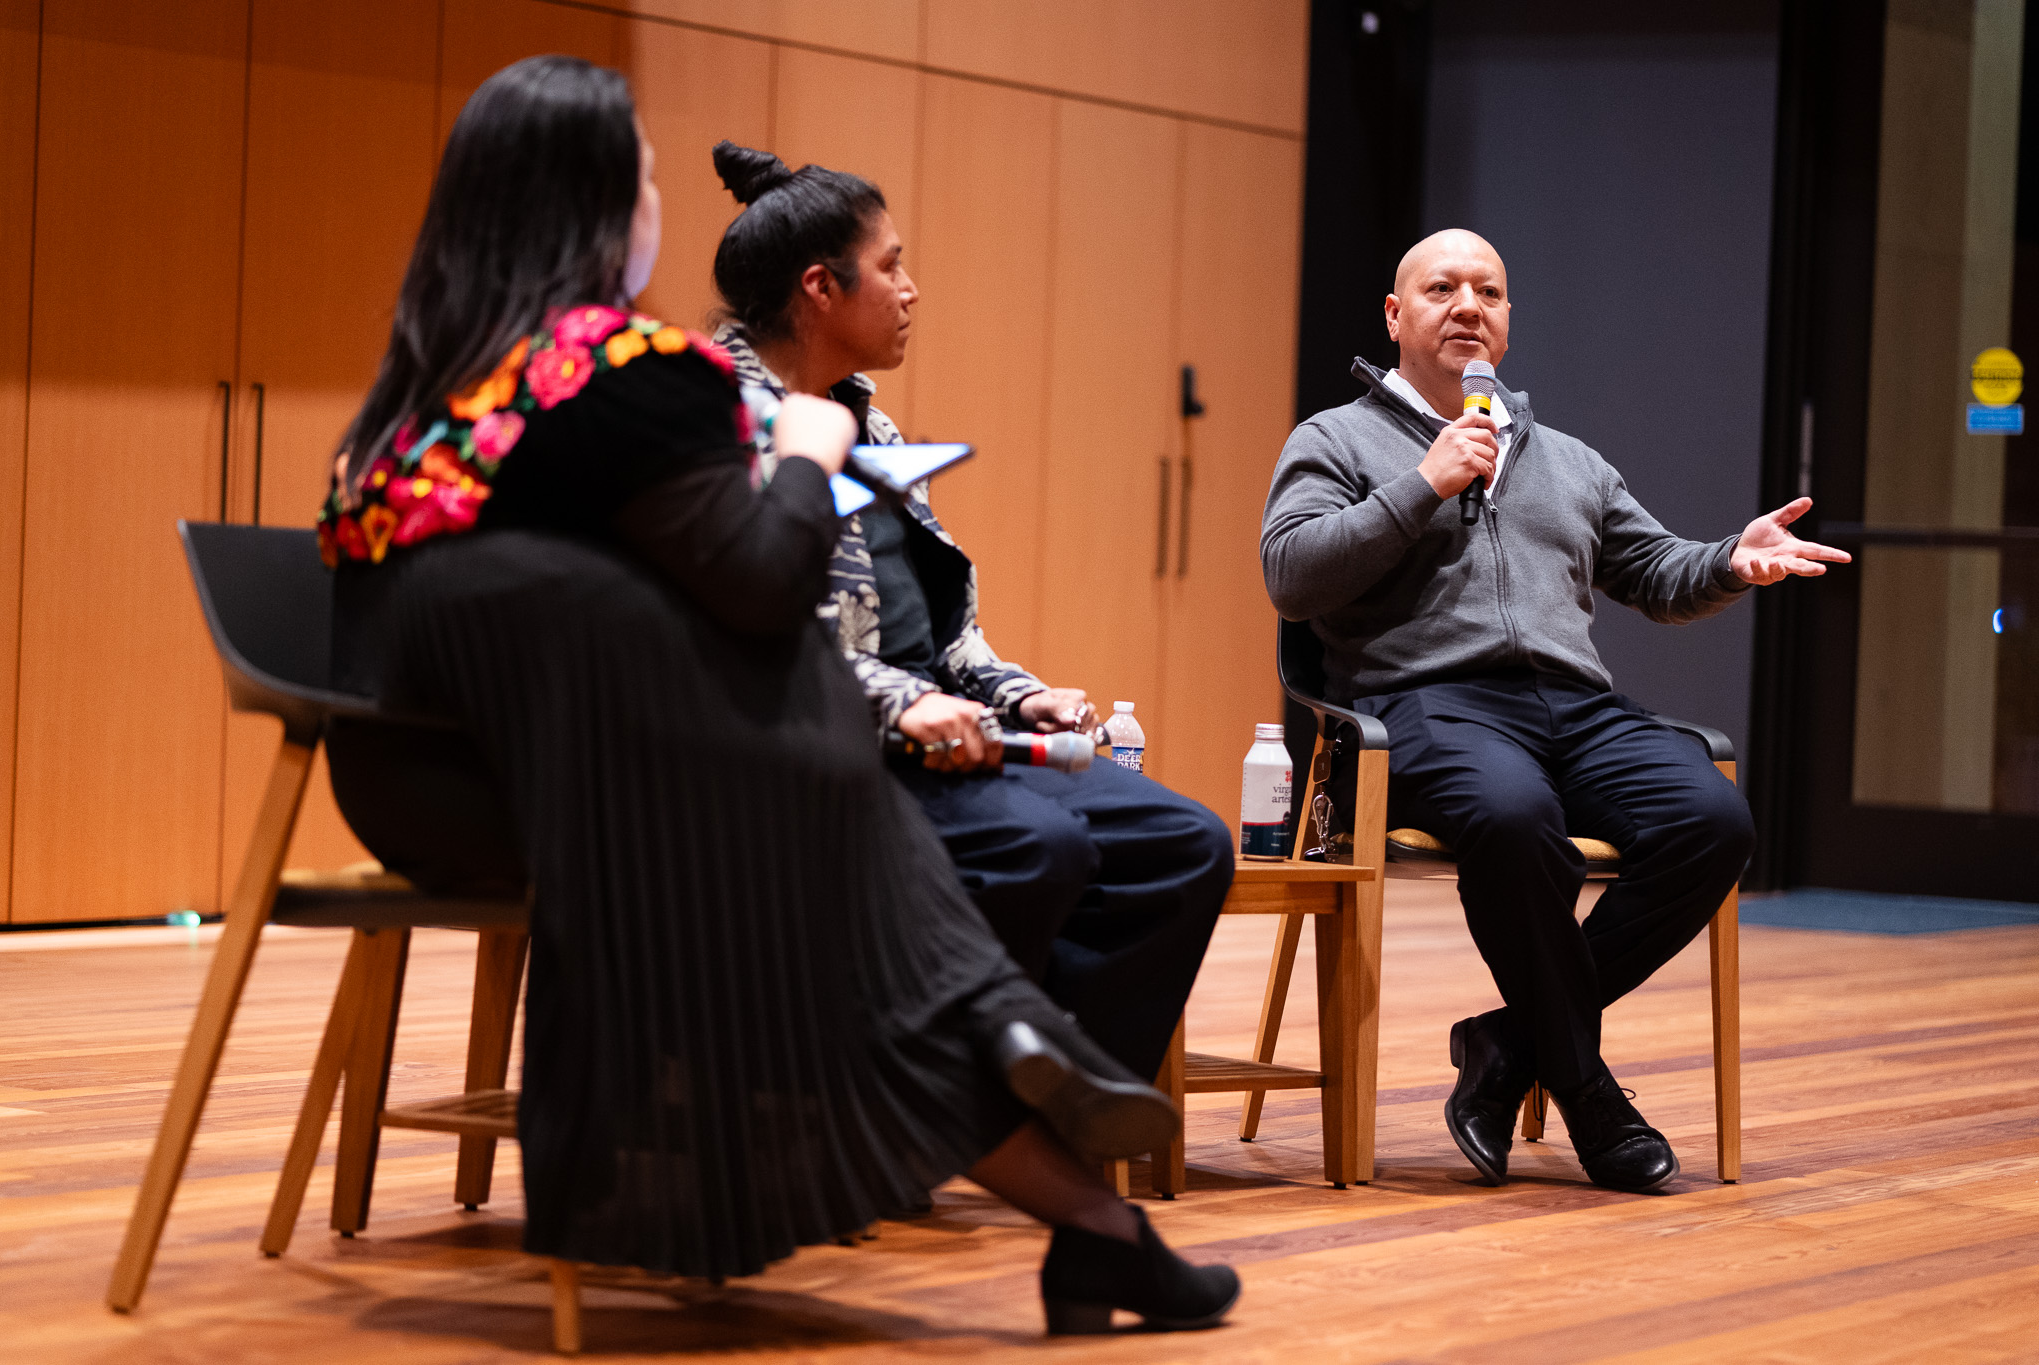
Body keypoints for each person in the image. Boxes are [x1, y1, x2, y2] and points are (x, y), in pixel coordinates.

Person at [317, 55, 1238, 1334]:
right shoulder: (624, 373)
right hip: (579, 792)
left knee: (845, 853)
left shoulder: (424, 386)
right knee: (827, 841)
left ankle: (1086, 1202)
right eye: (640, 179)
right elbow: (755, 590)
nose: (653, 212)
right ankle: (1024, 1060)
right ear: (591, 208)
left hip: (412, 783)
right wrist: (806, 460)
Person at [1260, 229, 1848, 1193]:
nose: (1466, 305)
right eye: (1440, 287)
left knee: (1711, 820)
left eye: (1487, 291)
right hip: (1427, 704)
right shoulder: (1335, 439)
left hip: (1574, 710)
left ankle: (1508, 1043)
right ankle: (1591, 1096)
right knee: (1515, 817)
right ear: (1394, 315)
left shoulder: (1565, 459)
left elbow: (1656, 572)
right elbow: (1292, 575)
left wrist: (1730, 561)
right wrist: (1422, 485)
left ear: (1506, 320)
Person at [705, 141, 1234, 1084]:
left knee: (1185, 844)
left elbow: (940, 628)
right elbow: (747, 623)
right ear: (821, 288)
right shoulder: (719, 421)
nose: (912, 290)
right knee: (1042, 845)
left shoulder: (871, 424)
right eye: (893, 265)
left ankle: (1045, 1099)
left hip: (946, 735)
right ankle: (921, 1089)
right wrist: (898, 704)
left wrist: (1019, 694)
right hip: (816, 747)